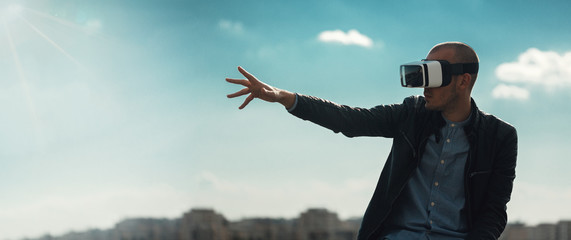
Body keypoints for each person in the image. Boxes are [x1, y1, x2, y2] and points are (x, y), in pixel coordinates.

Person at [226, 42, 517, 240]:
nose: (425, 85)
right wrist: (284, 97)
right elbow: (350, 120)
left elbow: (494, 211)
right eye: (422, 72)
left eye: (435, 74)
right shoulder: (411, 114)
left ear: (463, 81)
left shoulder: (500, 137)